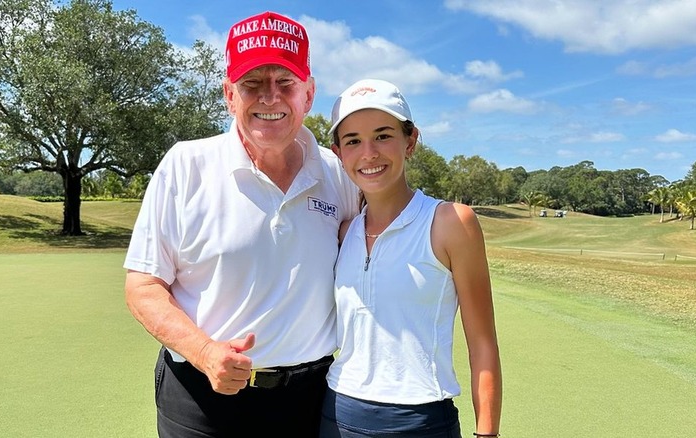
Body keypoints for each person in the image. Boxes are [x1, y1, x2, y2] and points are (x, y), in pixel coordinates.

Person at [123, 11, 359, 437]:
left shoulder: (338, 172)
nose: (270, 98)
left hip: (312, 400)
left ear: (309, 93)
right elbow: (143, 285)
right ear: (229, 94)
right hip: (202, 401)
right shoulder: (185, 165)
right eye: (252, 84)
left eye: (285, 83)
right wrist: (204, 351)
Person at [320, 79, 502, 437]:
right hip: (337, 416)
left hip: (421, 421)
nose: (369, 152)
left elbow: (482, 342)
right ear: (339, 153)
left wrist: (488, 434)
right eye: (353, 140)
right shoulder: (344, 233)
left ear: (411, 141)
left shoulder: (452, 222)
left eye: (383, 135)